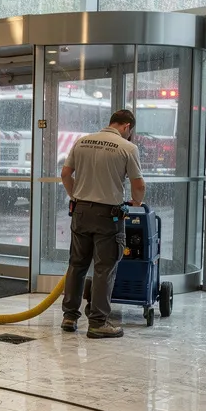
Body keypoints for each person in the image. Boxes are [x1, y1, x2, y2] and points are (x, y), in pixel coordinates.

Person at [60, 109, 145, 339]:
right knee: (104, 268)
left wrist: (74, 195)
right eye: (130, 131)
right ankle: (98, 322)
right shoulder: (127, 148)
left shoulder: (82, 141)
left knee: (76, 265)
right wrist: (137, 202)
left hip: (80, 212)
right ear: (127, 126)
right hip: (109, 216)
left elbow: (66, 173)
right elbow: (138, 185)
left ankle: (69, 317)